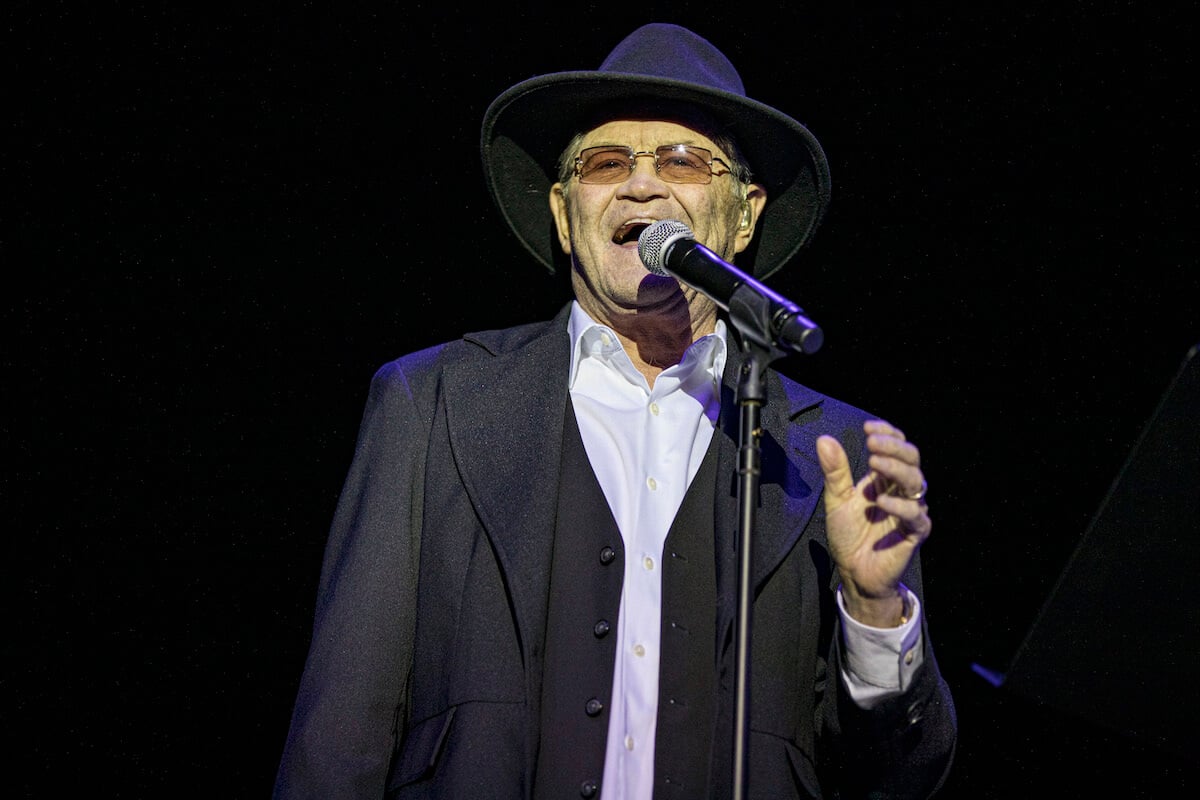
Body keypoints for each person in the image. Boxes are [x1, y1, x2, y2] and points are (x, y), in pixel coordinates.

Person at [273, 22, 957, 800]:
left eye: (684, 162)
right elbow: (339, 729)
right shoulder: (432, 402)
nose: (642, 186)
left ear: (743, 216)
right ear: (565, 215)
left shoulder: (835, 453)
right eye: (607, 163)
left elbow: (896, 778)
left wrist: (875, 611)